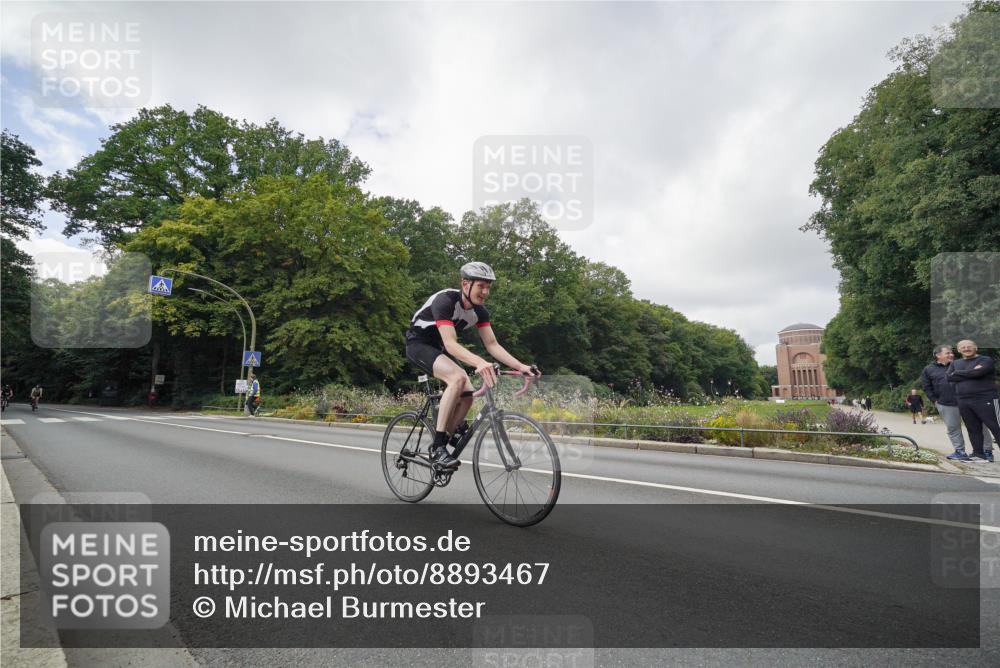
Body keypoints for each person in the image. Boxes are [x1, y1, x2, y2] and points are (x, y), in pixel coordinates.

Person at [405, 262, 539, 469]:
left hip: (439, 347)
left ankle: (446, 435)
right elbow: (450, 343)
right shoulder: (445, 300)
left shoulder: (480, 312)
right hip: (419, 344)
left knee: (467, 392)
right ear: (465, 284)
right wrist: (479, 362)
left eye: (488, 288)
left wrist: (521, 366)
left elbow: (492, 345)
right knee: (457, 378)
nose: (485, 292)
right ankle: (437, 449)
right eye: (481, 287)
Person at [948, 340, 1000, 463]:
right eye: (963, 347)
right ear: (959, 350)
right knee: (973, 428)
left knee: (996, 427)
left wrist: (958, 373)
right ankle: (979, 455)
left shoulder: (985, 360)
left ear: (975, 347)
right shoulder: (956, 363)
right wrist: (971, 372)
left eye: (969, 346)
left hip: (986, 398)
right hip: (964, 400)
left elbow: (980, 372)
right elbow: (949, 377)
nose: (966, 349)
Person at [922, 345, 971, 461]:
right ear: (938, 355)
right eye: (948, 353)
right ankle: (960, 451)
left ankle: (984, 452)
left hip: (967, 400)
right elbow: (926, 387)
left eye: (951, 353)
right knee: (953, 428)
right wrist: (935, 400)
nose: (951, 355)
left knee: (976, 427)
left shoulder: (960, 364)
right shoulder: (928, 369)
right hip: (945, 403)